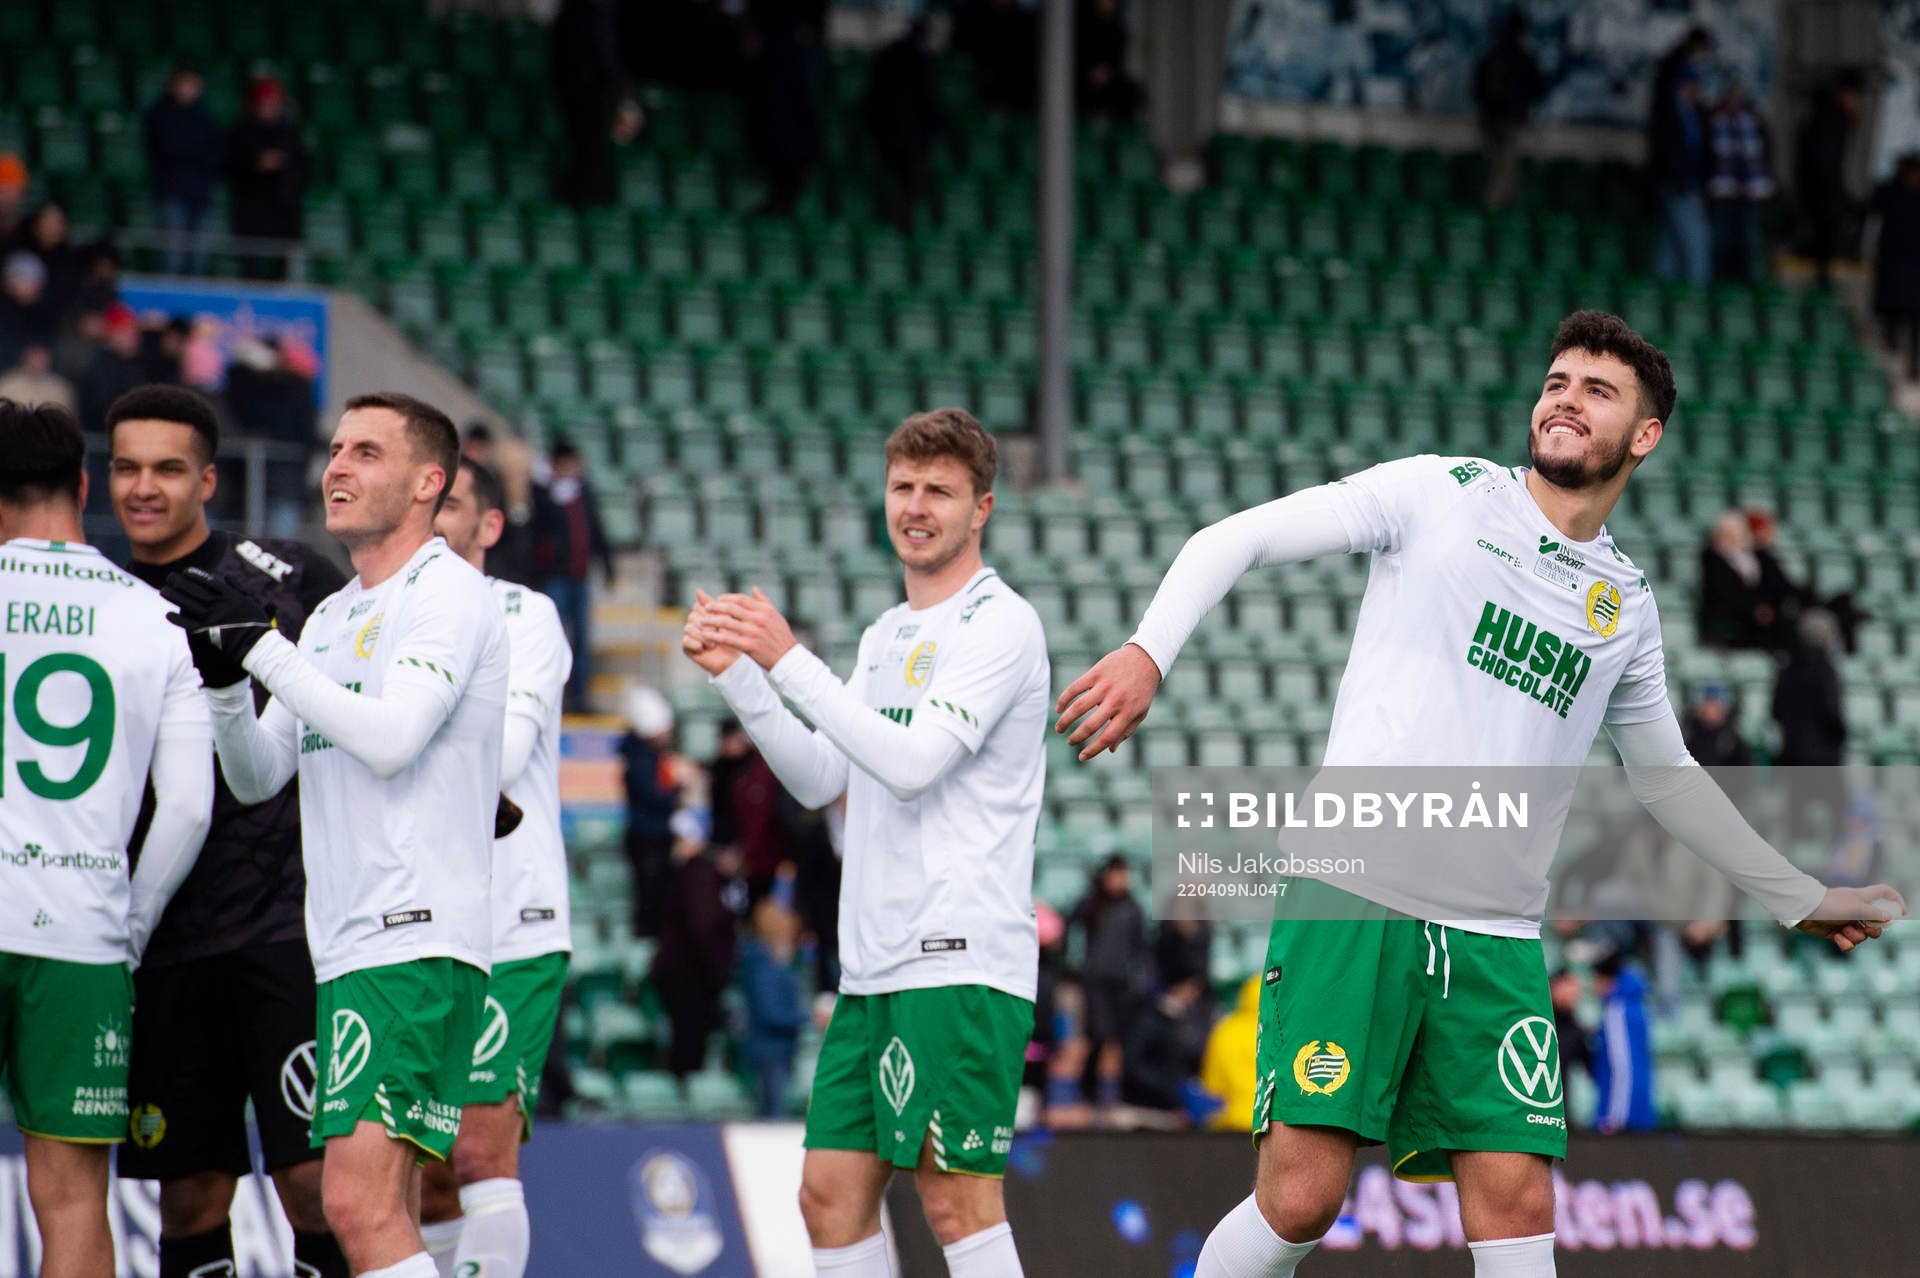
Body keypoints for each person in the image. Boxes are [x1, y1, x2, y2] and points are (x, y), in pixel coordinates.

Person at [1055, 310, 1903, 1278]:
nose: (1565, 400)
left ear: (1644, 435)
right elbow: (1237, 537)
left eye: (1596, 390)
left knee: (1519, 1204)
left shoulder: (1624, 604)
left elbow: (1669, 780)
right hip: (1355, 894)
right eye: (1556, 382)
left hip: (1496, 938)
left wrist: (1796, 894)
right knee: (1301, 1199)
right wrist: (1146, 653)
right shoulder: (1441, 493)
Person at [685, 407, 1048, 1277]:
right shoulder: (888, 634)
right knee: (829, 1195)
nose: (916, 506)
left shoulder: (1002, 624)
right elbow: (822, 778)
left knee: (955, 1200)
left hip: (960, 959)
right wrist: (742, 677)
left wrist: (787, 658)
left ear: (982, 510)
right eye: (903, 487)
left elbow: (914, 762)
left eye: (940, 491)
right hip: (876, 962)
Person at [163, 392, 510, 1278]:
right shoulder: (331, 615)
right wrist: (226, 684)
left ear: (429, 482)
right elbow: (257, 775)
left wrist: (264, 651)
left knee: (353, 1200)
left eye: (366, 452)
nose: (338, 468)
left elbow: (392, 740)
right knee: (373, 1205)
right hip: (354, 946)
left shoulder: (451, 596)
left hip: (414, 936)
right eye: (336, 449)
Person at [104, 385, 352, 1278]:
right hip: (166, 940)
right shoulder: (103, 603)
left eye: (168, 469)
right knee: (190, 1196)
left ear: (208, 479)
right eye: (127, 467)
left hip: (287, 929)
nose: (144, 488)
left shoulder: (287, 576)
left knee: (318, 1186)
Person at [0, 399, 214, 1278]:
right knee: (74, 1203)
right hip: (84, 935)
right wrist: (130, 926)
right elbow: (191, 809)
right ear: (85, 487)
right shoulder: (152, 617)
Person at [418, 457, 574, 1278]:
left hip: (512, 919)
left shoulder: (525, 615)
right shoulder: (381, 620)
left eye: (454, 509)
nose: (436, 522)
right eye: (427, 507)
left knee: (479, 1150)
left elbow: (504, 754)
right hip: (415, 922)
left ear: (488, 528)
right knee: (428, 1174)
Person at [649, 827, 739, 1081]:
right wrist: (718, 968)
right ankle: (684, 1101)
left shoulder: (701, 875)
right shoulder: (701, 875)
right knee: (688, 1044)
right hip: (687, 975)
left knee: (689, 1042)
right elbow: (702, 928)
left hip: (686, 972)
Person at [531, 441, 611, 710]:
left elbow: (595, 528)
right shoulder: (541, 494)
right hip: (555, 576)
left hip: (580, 576)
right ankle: (551, 695)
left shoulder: (583, 493)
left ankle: (579, 698)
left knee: (582, 641)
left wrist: (607, 563)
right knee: (552, 637)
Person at [1070, 854, 1146, 1115]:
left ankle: (1118, 1094)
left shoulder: (1133, 908)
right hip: (1095, 983)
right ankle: (1087, 1092)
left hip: (1122, 985)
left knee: (1121, 1040)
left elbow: (1140, 948)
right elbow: (1069, 932)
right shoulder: (1090, 905)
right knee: (1097, 1036)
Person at [549, 0, 641, 208]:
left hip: (589, 88)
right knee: (590, 156)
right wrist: (621, 95)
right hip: (588, 88)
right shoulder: (591, 12)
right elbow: (604, 53)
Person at [862, 19, 946, 231]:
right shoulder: (916, 60)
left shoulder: (892, 54)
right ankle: (899, 220)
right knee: (910, 175)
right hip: (903, 134)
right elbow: (928, 101)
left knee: (909, 176)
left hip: (888, 132)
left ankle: (901, 217)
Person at [227, 76, 310, 281]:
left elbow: (304, 170)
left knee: (281, 271)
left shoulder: (291, 133)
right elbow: (229, 167)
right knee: (250, 270)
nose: (269, 108)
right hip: (250, 213)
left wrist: (284, 166)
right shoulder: (242, 132)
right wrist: (256, 163)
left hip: (282, 214)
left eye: (274, 103)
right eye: (265, 104)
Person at [144, 64, 224, 276]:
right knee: (173, 254)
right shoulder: (160, 115)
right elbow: (168, 149)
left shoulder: (206, 117)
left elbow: (215, 153)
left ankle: (194, 305)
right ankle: (166, 305)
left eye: (194, 84)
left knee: (198, 257)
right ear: (174, 85)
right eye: (185, 83)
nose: (189, 89)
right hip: (172, 192)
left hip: (201, 194)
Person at [620, 685, 683, 937]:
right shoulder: (640, 761)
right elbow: (656, 798)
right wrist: (679, 790)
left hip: (650, 836)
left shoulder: (642, 757)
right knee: (650, 901)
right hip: (649, 838)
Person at [740, 894, 809, 1117]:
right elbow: (771, 1013)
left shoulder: (767, 966)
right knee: (772, 1114)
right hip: (770, 1052)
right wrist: (806, 1018)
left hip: (777, 1050)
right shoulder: (765, 969)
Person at [1472, 11, 1546, 209]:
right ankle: (1492, 213)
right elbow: (1539, 88)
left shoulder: (1492, 54)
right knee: (1503, 167)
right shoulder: (1522, 58)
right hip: (1509, 121)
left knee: (1504, 166)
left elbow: (1476, 89)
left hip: (1490, 120)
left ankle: (1505, 215)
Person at [1799, 71, 1864, 289]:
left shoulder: (1829, 116)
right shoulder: (1829, 118)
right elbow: (1823, 162)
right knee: (1825, 237)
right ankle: (1821, 283)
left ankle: (1823, 279)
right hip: (1823, 192)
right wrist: (1838, 194)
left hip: (1824, 190)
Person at [1649, 66, 1713, 285]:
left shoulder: (1695, 111)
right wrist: (1678, 176)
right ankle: (1697, 297)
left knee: (1669, 243)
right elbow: (1664, 149)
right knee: (1697, 239)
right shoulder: (1667, 111)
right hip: (1677, 184)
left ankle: (1665, 296)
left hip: (1688, 183)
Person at [1706, 81, 1773, 282]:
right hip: (1722, 191)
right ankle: (1719, 281)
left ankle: (1743, 282)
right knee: (1721, 239)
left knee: (1746, 240)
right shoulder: (1714, 123)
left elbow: (1764, 156)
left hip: (1749, 193)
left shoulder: (1755, 123)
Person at [1588, 949, 1654, 1133]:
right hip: (1638, 1109)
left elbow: (1622, 1067)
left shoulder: (1617, 1012)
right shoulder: (1635, 1005)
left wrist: (1614, 1117)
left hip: (1622, 1117)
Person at [1872, 154, 1920, 379]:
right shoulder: (1889, 191)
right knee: (1891, 305)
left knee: (1914, 319)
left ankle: (1915, 364)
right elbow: (1870, 211)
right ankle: (1891, 336)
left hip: (1915, 264)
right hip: (1893, 259)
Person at [1198, 975, 1263, 1132]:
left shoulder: (1225, 1030)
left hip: (1232, 1119)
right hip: (1270, 1119)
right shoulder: (1282, 1031)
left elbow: (1212, 1085)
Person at [77, 302, 145, 433]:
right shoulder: (102, 367)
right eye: (128, 333)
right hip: (102, 441)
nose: (135, 339)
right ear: (114, 335)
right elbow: (101, 408)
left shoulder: (131, 365)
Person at [0, 341, 76, 413]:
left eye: (44, 355)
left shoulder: (61, 388)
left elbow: (68, 420)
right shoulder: (7, 384)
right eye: (35, 355)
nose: (40, 359)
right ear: (26, 356)